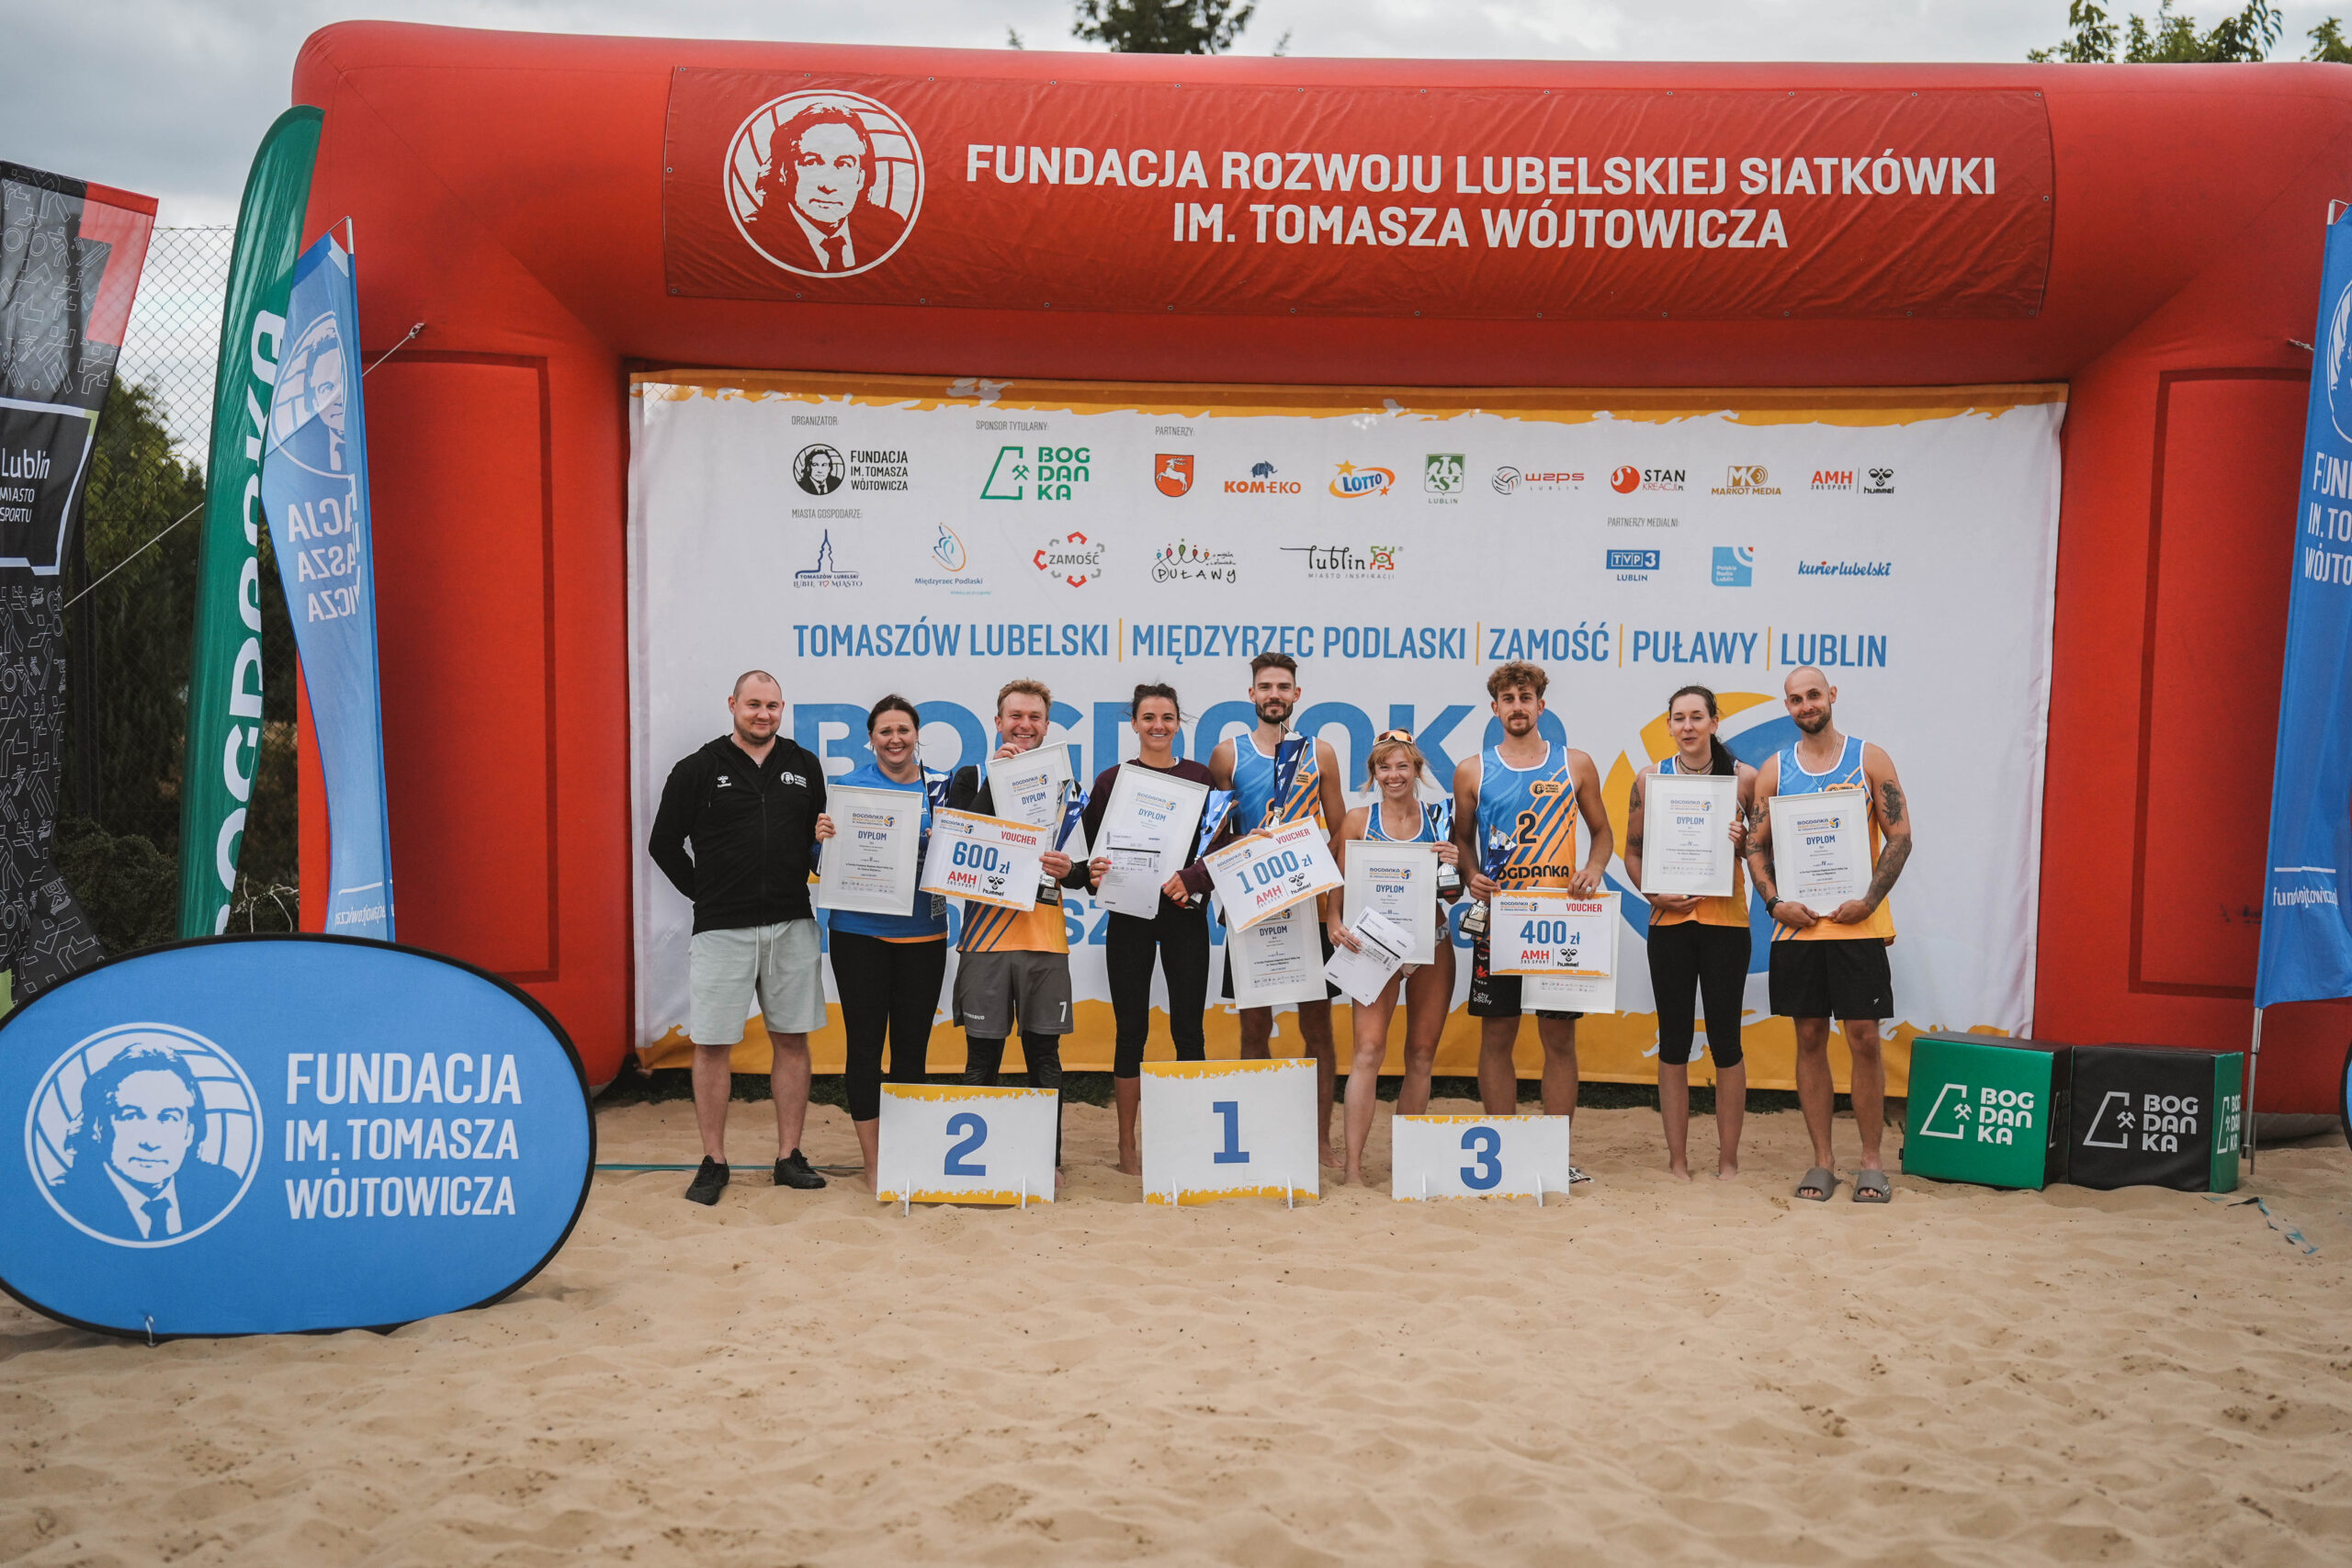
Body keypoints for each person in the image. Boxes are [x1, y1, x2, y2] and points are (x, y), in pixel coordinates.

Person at [649, 670, 830, 1205]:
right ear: (732, 705)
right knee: (711, 1044)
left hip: (792, 923)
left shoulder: (803, 764)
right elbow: (663, 844)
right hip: (721, 929)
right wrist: (706, 896)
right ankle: (713, 1160)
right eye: (753, 704)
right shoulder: (698, 768)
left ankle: (788, 1156)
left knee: (792, 1040)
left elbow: (817, 842)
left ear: (782, 709)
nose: (764, 714)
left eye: (773, 705)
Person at [1743, 667, 1914, 1204]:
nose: (1805, 705)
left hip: (1856, 924)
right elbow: (1753, 845)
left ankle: (1871, 1162)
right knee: (1809, 1038)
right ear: (1787, 707)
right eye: (1795, 699)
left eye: (1813, 695)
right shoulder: (1774, 771)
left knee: (1863, 1038)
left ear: (1831, 697)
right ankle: (1822, 1162)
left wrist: (1869, 900)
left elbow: (1900, 836)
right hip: (1798, 930)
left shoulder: (1869, 758)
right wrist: (1773, 902)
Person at [1452, 661, 1611, 1168]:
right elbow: (1461, 842)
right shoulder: (1472, 769)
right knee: (1497, 1036)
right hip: (1500, 920)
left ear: (1542, 705)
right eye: (1508, 698)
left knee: (1558, 1038)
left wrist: (1593, 867)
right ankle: (1504, 1153)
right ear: (1494, 707)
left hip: (1557, 919)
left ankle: (1555, 1156)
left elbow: (1602, 832)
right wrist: (1472, 876)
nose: (1517, 706)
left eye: (1526, 697)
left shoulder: (1576, 763)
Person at [1202, 651, 1351, 1168]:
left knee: (1318, 1028)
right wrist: (1249, 843)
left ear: (1296, 695)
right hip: (1253, 910)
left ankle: (1320, 1140)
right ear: (1251, 695)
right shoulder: (1228, 755)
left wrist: (1332, 904)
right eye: (1265, 686)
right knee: (1253, 1028)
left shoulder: (1322, 754)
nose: (1274, 695)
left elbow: (1342, 837)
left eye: (1283, 687)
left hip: (1308, 912)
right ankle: (1262, 1134)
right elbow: (1216, 838)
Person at [952, 679, 1090, 1174]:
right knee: (980, 1061)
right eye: (1016, 716)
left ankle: (1045, 1164)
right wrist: (1000, 779)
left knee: (1045, 1060)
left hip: (1045, 943)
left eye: (1034, 717)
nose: (1025, 725)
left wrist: (1066, 870)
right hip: (985, 942)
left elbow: (1084, 873)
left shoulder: (1068, 787)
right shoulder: (970, 777)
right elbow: (958, 841)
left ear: (1047, 725)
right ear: (998, 722)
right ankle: (977, 1167)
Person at [813, 695, 948, 1191]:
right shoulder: (847, 789)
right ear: (871, 738)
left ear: (917, 735)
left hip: (924, 935)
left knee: (912, 1050)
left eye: (904, 730)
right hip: (858, 934)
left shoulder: (941, 789)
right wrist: (821, 837)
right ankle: (874, 1162)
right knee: (865, 1047)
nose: (895, 739)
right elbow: (819, 861)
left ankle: (907, 1153)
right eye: (885, 731)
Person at [1081, 683, 1218, 1175]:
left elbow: (1217, 845)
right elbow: (1097, 855)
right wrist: (1099, 874)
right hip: (1130, 916)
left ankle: (1192, 1141)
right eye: (1148, 717)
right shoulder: (1111, 781)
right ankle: (1126, 1148)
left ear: (1179, 722)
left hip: (1184, 916)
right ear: (1134, 724)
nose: (1157, 725)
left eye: (1166, 717)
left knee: (1189, 1031)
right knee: (1130, 1032)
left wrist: (1195, 878)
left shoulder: (1201, 778)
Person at [1623, 686, 1755, 1181]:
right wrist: (1653, 896)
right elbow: (1633, 853)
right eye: (1679, 718)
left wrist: (1746, 844)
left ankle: (1728, 1161)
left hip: (1727, 925)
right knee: (1674, 1041)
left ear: (1715, 722)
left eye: (1697, 717)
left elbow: (1765, 851)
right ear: (1669, 725)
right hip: (1669, 926)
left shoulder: (1744, 779)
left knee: (1727, 1042)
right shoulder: (1650, 778)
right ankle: (1677, 1161)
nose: (1688, 726)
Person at [1329, 729, 1462, 1186]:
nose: (1393, 774)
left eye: (1402, 765)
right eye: (1384, 767)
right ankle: (1353, 1171)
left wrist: (1456, 862)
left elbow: (1454, 889)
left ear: (1417, 770)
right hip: (1372, 947)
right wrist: (1332, 920)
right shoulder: (1357, 820)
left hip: (1432, 942)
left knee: (1422, 1054)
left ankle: (1409, 1165)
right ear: (1373, 774)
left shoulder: (1440, 818)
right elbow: (1337, 878)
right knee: (1367, 1051)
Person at [51, 1044, 243, 1242]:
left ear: (189, 1132)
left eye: (168, 1118)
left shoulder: (222, 1190)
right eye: (131, 1116)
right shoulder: (62, 1200)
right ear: (99, 1127)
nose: (150, 1142)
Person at [749, 102, 909, 273]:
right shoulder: (754, 234)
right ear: (784, 171)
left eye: (844, 164)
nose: (827, 186)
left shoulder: (891, 230)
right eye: (811, 162)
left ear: (860, 177)